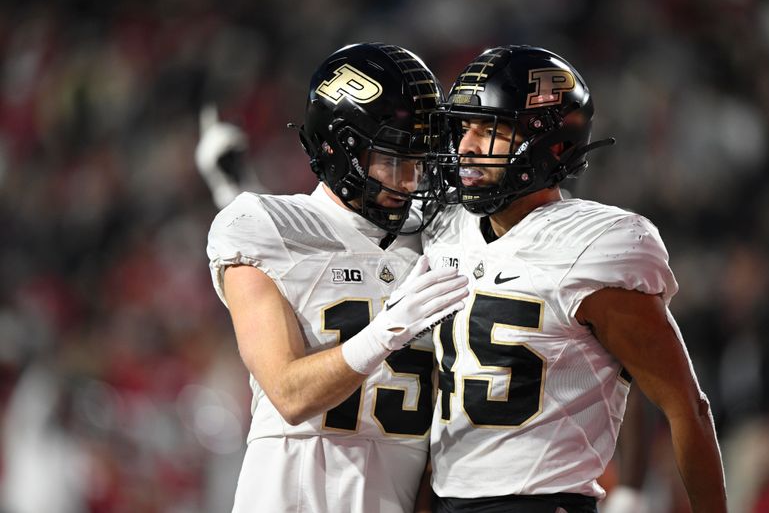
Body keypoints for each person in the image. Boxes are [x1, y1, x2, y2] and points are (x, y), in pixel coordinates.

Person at [422, 45, 727, 512]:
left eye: (489, 130)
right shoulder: (442, 228)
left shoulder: (593, 245)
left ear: (550, 143)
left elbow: (686, 406)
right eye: (464, 127)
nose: (465, 146)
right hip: (447, 499)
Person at [205, 42, 468, 513]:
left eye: (420, 160)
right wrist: (388, 329)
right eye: (393, 158)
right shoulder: (262, 227)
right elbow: (288, 393)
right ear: (339, 148)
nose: (410, 180)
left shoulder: (439, 236)